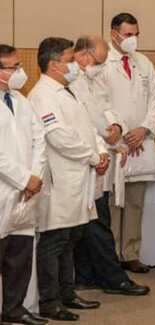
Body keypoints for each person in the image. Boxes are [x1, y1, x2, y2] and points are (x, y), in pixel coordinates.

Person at [29, 37, 106, 321]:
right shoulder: (42, 95)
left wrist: (99, 150)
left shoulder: (66, 90)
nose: (76, 64)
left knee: (72, 237)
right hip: (59, 179)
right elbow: (59, 137)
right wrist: (93, 157)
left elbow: (85, 127)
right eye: (71, 59)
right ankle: (50, 301)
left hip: (78, 177)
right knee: (54, 240)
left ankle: (67, 293)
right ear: (54, 65)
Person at [70, 35, 150, 296]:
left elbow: (106, 106)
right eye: (99, 61)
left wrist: (117, 126)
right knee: (98, 222)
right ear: (82, 55)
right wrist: (110, 138)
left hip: (101, 154)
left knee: (92, 221)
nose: (103, 67)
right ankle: (114, 279)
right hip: (88, 159)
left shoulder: (95, 77)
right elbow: (87, 118)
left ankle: (86, 275)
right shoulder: (73, 82)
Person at [99, 12, 155, 273]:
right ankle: (112, 256)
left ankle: (130, 253)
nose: (133, 39)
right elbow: (100, 103)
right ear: (114, 34)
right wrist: (123, 130)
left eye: (136, 34)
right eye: (128, 35)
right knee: (114, 202)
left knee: (135, 202)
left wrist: (144, 128)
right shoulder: (102, 63)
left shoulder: (144, 62)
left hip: (141, 142)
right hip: (115, 143)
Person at [0, 44, 48, 325]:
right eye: (12, 67)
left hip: (27, 191)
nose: (19, 72)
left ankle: (13, 309)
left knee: (19, 254)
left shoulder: (21, 100)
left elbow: (38, 138)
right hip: (5, 186)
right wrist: (22, 177)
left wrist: (35, 175)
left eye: (18, 65)